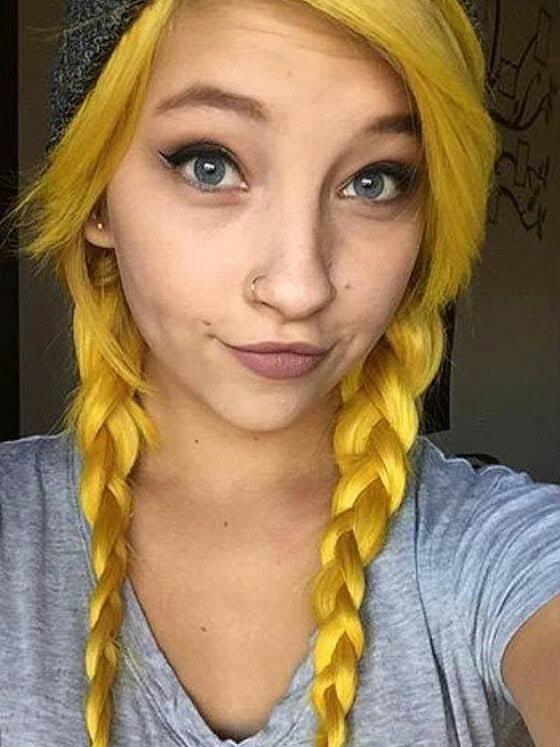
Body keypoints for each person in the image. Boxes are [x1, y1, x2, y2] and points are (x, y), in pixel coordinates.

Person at [0, 0, 558, 746]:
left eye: (376, 181)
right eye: (210, 165)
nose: (299, 288)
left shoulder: (494, 550)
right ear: (97, 194)